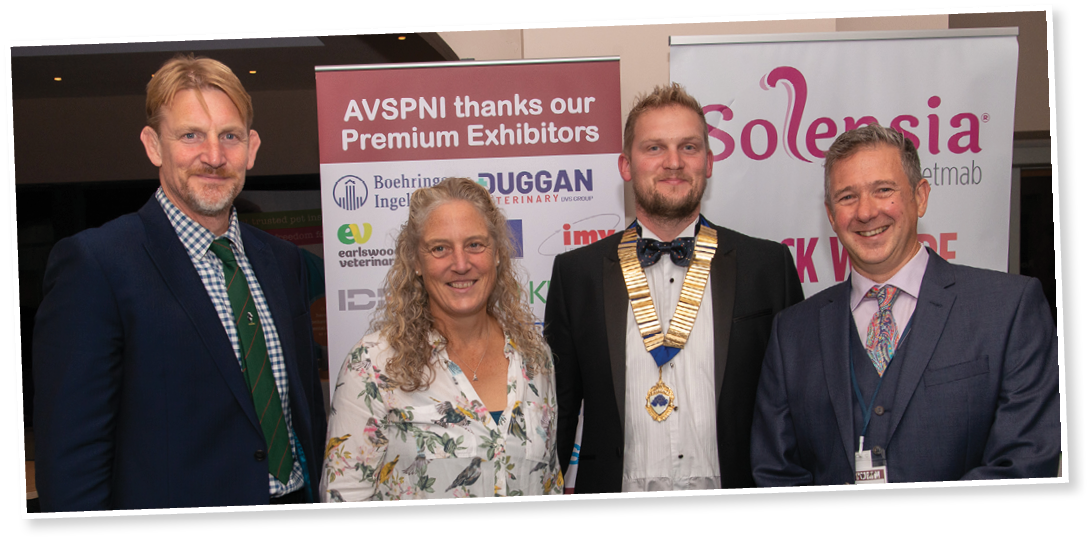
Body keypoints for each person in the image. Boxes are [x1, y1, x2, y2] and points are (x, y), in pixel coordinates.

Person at [32, 55, 326, 510]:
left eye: (229, 136)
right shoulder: (97, 264)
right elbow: (73, 458)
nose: (213, 156)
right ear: (154, 146)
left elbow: (301, 411)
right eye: (191, 135)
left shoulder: (283, 262)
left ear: (251, 147)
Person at [750, 123, 1060, 485]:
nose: (866, 212)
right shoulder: (792, 332)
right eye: (847, 197)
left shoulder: (1007, 309)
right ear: (831, 214)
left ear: (921, 196)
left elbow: (1024, 462)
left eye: (883, 190)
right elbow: (775, 473)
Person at [543, 83, 804, 493]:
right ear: (626, 166)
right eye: (654, 148)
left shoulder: (768, 266)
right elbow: (557, 411)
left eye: (689, 147)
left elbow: (798, 407)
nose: (673, 162)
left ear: (709, 161)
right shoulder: (577, 274)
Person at [321, 177, 563, 501]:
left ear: (497, 254)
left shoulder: (534, 357)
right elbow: (344, 500)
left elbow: (550, 486)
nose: (461, 264)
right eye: (440, 248)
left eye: (475, 244)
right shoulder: (373, 365)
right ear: (417, 262)